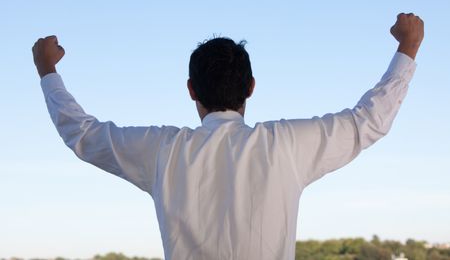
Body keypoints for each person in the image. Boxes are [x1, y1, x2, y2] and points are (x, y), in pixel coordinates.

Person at [33, 13, 424, 260]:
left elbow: (82, 133)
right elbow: (367, 121)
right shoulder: (285, 145)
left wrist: (47, 69)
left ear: (191, 89)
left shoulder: (163, 151)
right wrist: (407, 48)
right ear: (251, 87)